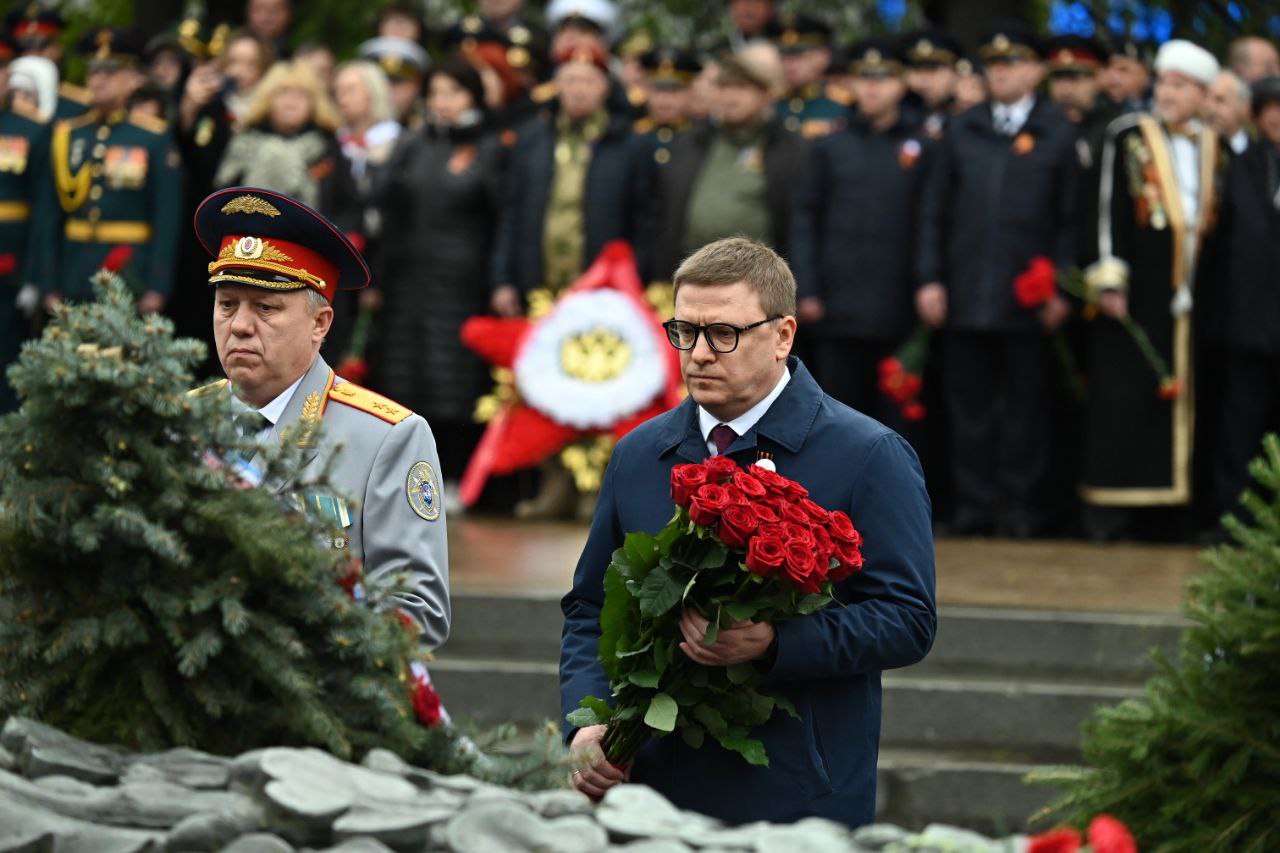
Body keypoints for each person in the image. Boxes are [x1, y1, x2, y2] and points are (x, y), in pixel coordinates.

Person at [559, 235, 936, 825]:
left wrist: (775, 643)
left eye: (723, 334)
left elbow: (907, 619)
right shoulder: (640, 454)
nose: (700, 354)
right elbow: (589, 607)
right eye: (685, 331)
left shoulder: (869, 454)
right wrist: (588, 724)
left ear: (783, 335)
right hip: (648, 788)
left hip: (793, 794)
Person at [190, 186, 450, 646]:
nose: (240, 325)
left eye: (266, 307)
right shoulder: (179, 421)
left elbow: (418, 610)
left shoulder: (389, 437)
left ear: (320, 324)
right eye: (227, 304)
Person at [916, 24, 1079, 538]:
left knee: (1026, 407)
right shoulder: (963, 130)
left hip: (1026, 297)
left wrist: (1062, 287)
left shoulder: (1059, 132)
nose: (1001, 71)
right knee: (969, 406)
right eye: (994, 63)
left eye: (1013, 62)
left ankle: (1022, 508)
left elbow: (1069, 221)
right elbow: (933, 213)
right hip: (965, 292)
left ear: (1036, 71)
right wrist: (929, 278)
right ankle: (975, 505)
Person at [1081, 40, 1224, 531]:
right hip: (1135, 291)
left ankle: (1173, 510)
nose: (1168, 93)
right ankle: (1113, 510)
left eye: (1180, 86)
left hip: (1189, 296)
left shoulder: (1211, 143)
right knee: (1127, 393)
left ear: (1204, 95)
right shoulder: (1127, 134)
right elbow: (1106, 206)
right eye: (1164, 82)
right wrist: (1109, 274)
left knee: (1182, 395)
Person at [369, 56, 501, 480]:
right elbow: (385, 205)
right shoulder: (413, 142)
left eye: (454, 92)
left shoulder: (490, 144)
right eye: (436, 93)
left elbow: (501, 216)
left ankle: (455, 473)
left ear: (473, 96)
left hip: (462, 282)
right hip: (408, 278)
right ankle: (402, 470)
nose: (443, 102)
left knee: (455, 381)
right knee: (404, 375)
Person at [790, 39, 934, 424]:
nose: (873, 87)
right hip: (837, 308)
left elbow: (930, 220)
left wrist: (928, 283)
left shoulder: (922, 146)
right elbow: (805, 217)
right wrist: (808, 287)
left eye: (884, 78)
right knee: (836, 417)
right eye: (864, 78)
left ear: (901, 85)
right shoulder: (831, 146)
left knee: (899, 421)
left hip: (900, 310)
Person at [490, 42, 649, 310]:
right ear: (557, 85)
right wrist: (502, 280)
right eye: (571, 80)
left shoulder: (629, 145)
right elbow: (510, 214)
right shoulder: (531, 140)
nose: (579, 90)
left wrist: (635, 282)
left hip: (604, 291)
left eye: (589, 81)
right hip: (534, 287)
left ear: (605, 87)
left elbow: (643, 223)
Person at [44, 27, 181, 312]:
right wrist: (48, 280)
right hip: (74, 269)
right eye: (93, 72)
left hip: (130, 270)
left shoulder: (152, 138)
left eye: (109, 73)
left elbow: (167, 216)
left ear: (132, 80)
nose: (98, 80)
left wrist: (158, 284)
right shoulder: (68, 135)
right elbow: (50, 213)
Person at [647, 44, 807, 284]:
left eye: (741, 88)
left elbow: (801, 227)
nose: (731, 97)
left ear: (765, 94)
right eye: (724, 87)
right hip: (691, 277)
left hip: (758, 284)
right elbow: (663, 214)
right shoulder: (692, 142)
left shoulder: (788, 148)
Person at [1213, 76, 1280, 522]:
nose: (1276, 117)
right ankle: (1235, 518)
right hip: (1248, 319)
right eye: (1267, 108)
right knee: (1241, 422)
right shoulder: (1241, 165)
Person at [0, 51, 56, 412]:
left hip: (9, 265)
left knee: (6, 361)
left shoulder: (32, 130)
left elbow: (45, 209)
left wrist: (36, 275)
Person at [772, 13, 846, 139]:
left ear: (824, 57)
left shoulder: (843, 105)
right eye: (784, 55)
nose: (791, 63)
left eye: (800, 55)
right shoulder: (770, 103)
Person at [633, 47, 700, 169]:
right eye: (658, 89)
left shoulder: (701, 138)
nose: (665, 99)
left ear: (690, 92)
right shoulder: (632, 135)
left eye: (674, 90)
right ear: (646, 90)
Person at [357, 37, 430, 130]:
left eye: (397, 82)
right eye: (378, 82)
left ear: (417, 86)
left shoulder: (432, 131)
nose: (386, 89)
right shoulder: (345, 132)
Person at [902, 29, 963, 139]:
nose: (924, 79)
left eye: (933, 69)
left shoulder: (972, 120)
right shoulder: (899, 120)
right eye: (917, 69)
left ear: (956, 73)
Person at [1099, 37, 1151, 114]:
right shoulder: (1098, 107)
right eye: (1107, 69)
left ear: (1145, 73)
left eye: (1123, 70)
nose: (1112, 79)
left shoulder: (1160, 108)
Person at [1207, 70, 1252, 154]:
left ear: (1244, 108)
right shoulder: (1197, 150)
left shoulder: (1264, 154)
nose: (1210, 108)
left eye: (1220, 100)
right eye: (1206, 99)